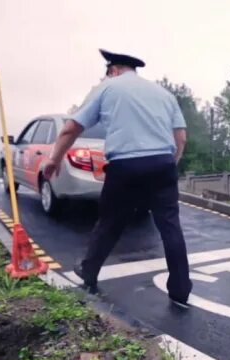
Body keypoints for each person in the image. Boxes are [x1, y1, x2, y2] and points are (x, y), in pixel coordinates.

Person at [43, 49, 192, 307]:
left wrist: (54, 159)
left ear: (112, 71)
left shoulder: (107, 88)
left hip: (125, 166)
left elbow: (71, 128)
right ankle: (180, 289)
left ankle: (89, 272)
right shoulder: (164, 94)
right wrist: (170, 164)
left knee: (110, 222)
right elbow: (181, 138)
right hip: (163, 165)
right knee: (170, 226)